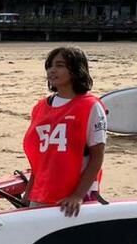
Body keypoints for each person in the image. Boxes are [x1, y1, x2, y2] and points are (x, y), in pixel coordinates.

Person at [22, 47, 107, 217]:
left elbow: (97, 157)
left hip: (75, 197)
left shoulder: (91, 106)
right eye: (50, 65)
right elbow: (41, 159)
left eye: (60, 65)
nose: (52, 70)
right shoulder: (40, 107)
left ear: (76, 70)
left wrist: (77, 195)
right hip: (42, 193)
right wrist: (29, 192)